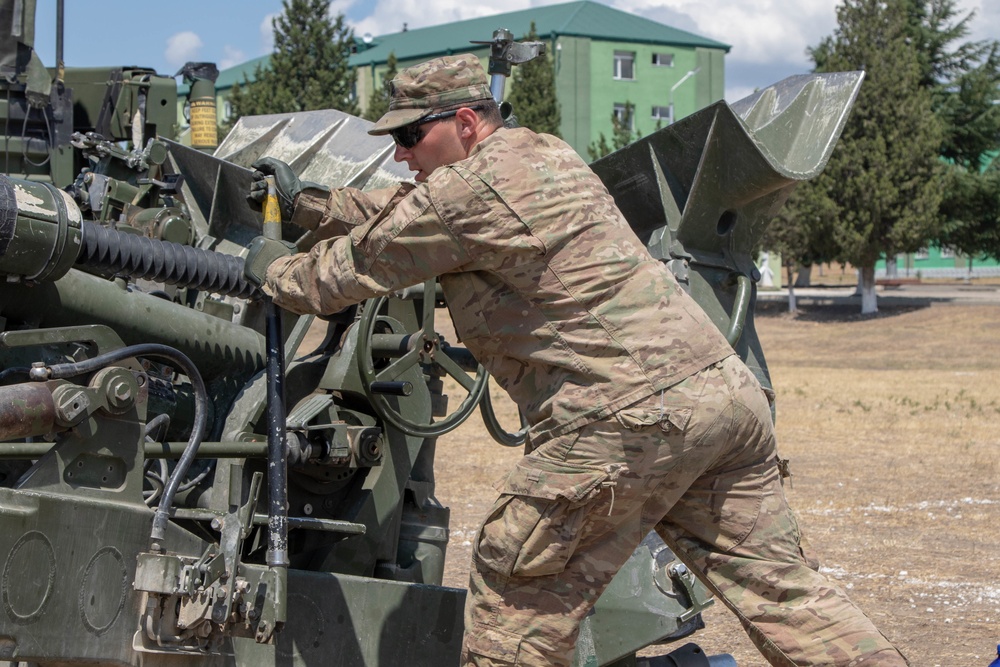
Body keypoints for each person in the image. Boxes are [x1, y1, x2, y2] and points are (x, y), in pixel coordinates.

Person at [244, 54, 909, 667]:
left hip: (627, 417)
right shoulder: (543, 156)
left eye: (412, 135)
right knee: (789, 598)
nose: (400, 152)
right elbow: (404, 212)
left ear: (467, 122)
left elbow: (356, 267)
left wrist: (275, 267)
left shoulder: (467, 192)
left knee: (517, 590)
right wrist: (310, 203)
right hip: (720, 400)